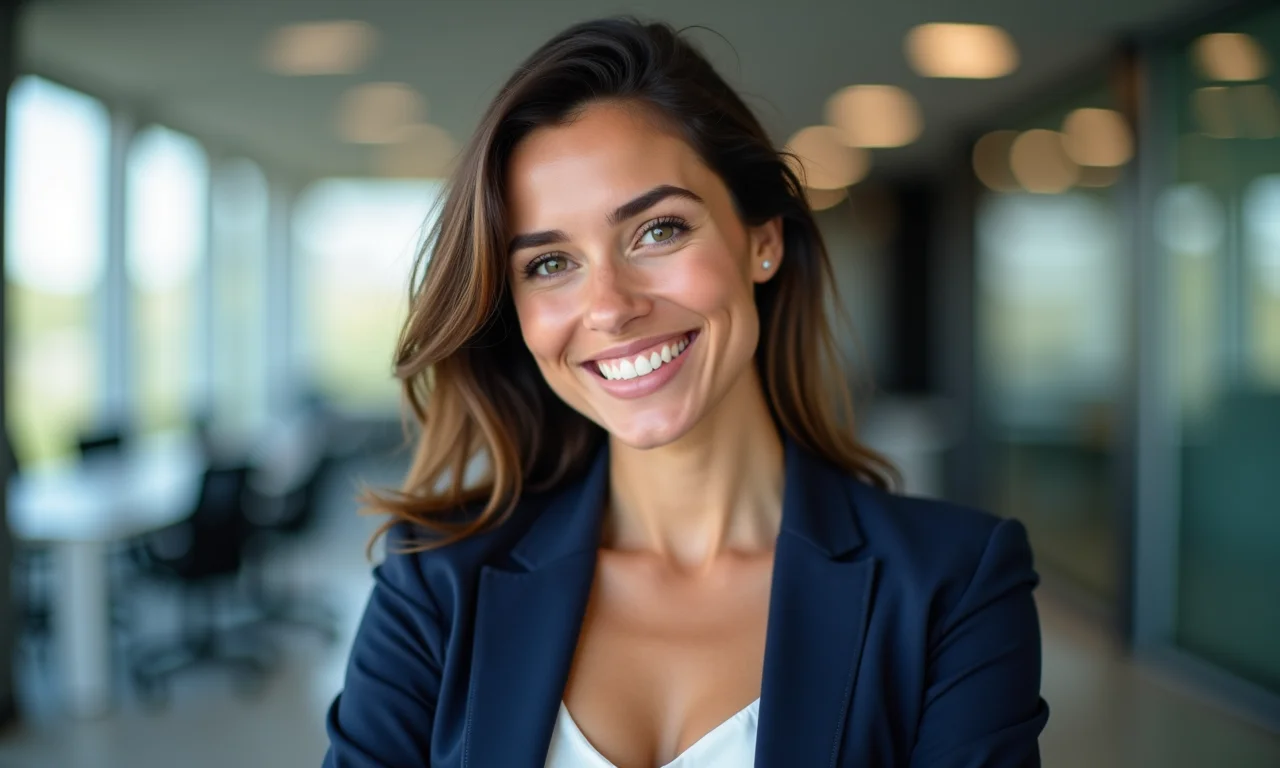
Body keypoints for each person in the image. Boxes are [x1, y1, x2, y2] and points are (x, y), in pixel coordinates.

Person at [322, 17, 1048, 768]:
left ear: (761, 238)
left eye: (658, 230)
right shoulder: (435, 584)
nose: (609, 307)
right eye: (548, 265)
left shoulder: (952, 584)